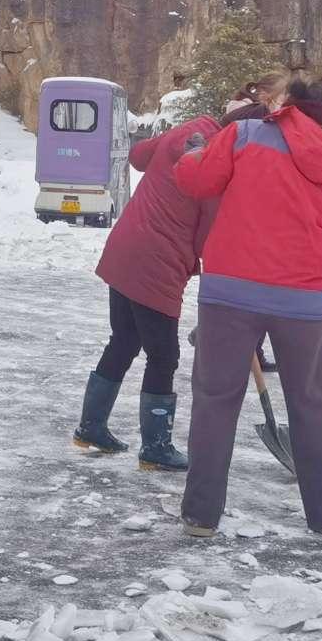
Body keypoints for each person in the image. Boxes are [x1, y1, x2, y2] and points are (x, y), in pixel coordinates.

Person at [172, 77, 322, 536]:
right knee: (316, 404)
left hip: (229, 290)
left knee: (215, 399)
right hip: (303, 298)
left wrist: (194, 151)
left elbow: (195, 180)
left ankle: (201, 514)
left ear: (288, 106)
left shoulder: (242, 136)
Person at [72, 102, 222, 472]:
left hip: (124, 250)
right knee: (164, 355)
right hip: (156, 263)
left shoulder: (179, 134)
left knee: (123, 340)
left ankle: (91, 427)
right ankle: (156, 447)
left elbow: (138, 156)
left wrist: (165, 140)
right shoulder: (213, 164)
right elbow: (207, 236)